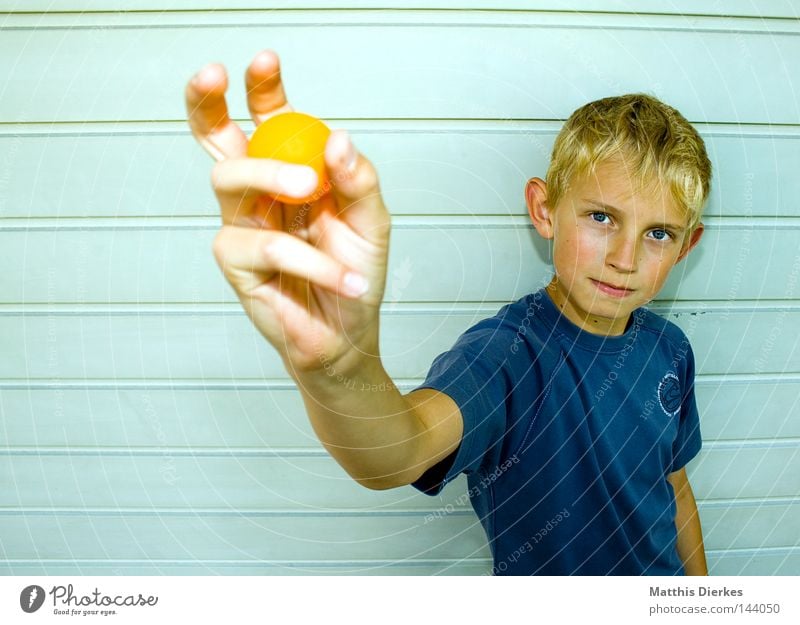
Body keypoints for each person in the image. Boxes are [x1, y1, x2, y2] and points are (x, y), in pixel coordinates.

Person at [185, 49, 709, 575]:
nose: (624, 258)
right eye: (601, 217)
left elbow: (674, 487)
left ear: (686, 247)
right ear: (544, 210)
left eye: (658, 233)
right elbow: (399, 448)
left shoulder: (670, 348)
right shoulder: (507, 354)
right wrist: (338, 373)